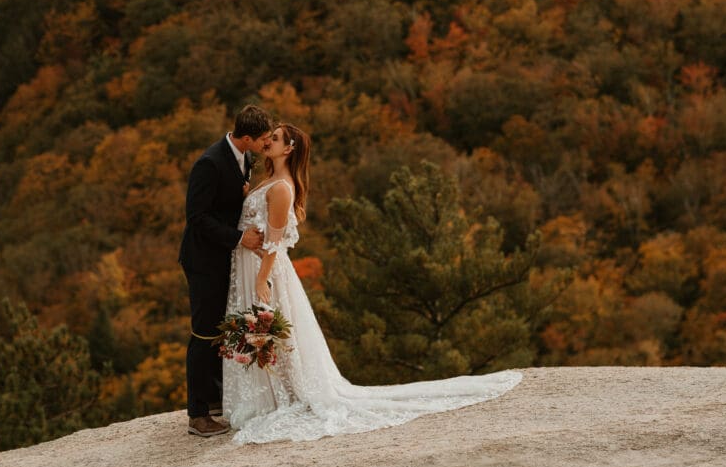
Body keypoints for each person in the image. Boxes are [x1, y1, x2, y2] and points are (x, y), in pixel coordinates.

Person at [223, 123, 523, 444]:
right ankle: (266, 395)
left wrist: (261, 279)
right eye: (269, 136)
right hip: (248, 263)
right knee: (264, 335)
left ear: (289, 149)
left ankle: (282, 395)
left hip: (263, 268)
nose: (268, 141)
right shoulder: (267, 180)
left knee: (271, 333)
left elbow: (275, 240)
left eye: (276, 138)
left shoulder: (281, 187)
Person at [180, 104, 273, 437]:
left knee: (220, 327)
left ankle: (215, 398)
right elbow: (197, 217)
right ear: (246, 138)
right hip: (204, 260)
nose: (267, 144)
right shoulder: (210, 163)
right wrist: (239, 238)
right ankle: (198, 415)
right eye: (264, 139)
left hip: (224, 258)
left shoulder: (244, 157)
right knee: (203, 333)